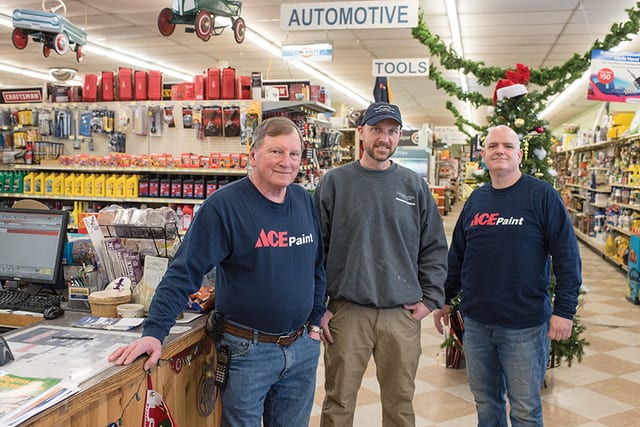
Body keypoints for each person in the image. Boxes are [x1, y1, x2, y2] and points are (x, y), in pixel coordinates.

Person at [108, 116, 326, 427]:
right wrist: (154, 332)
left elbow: (316, 266)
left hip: (302, 347)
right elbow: (184, 272)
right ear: (252, 155)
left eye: (294, 154)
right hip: (249, 351)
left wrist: (316, 320)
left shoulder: (304, 200)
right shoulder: (224, 207)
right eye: (276, 152)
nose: (287, 162)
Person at [433, 124, 582, 427]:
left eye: (508, 146)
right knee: (486, 403)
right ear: (484, 155)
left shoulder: (542, 196)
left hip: (524, 326)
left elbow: (567, 257)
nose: (500, 150)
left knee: (525, 409)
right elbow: (458, 255)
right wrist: (445, 298)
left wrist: (564, 311)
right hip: (476, 324)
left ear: (519, 155)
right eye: (493, 146)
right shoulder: (476, 200)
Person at [313, 101, 448, 426]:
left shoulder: (414, 187)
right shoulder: (334, 183)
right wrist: (319, 307)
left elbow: (433, 245)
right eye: (376, 129)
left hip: (401, 315)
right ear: (361, 133)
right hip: (347, 313)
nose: (384, 138)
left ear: (400, 135)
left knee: (400, 403)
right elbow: (315, 251)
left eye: (391, 131)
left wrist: (431, 298)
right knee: (338, 403)